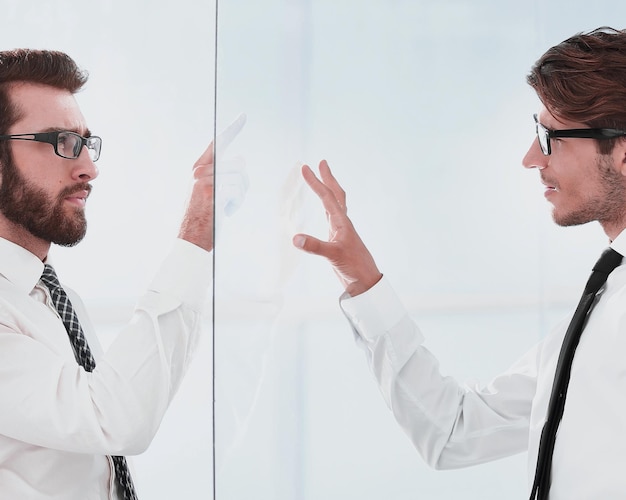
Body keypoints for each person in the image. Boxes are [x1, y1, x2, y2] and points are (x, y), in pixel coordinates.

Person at [293, 26, 626, 499]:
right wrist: (363, 281)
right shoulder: (604, 299)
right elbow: (454, 432)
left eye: (551, 137)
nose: (531, 158)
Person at [0, 49, 241, 499]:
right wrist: (196, 233)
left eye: (86, 143)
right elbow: (114, 418)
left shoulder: (56, 297)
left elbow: (129, 402)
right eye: (61, 141)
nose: (88, 168)